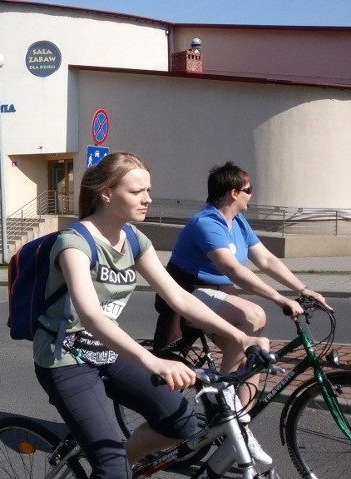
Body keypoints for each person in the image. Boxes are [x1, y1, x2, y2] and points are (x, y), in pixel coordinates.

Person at [34, 152, 268, 478]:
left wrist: (240, 336)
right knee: (110, 466)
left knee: (182, 423)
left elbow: (179, 298)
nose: (148, 199)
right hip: (65, 359)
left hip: (106, 350)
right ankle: (113, 466)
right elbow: (91, 316)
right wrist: (153, 361)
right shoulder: (75, 243)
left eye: (148, 190)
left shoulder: (133, 239)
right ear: (107, 193)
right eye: (137, 192)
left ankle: (120, 464)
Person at [153, 160, 332, 465]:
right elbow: (233, 269)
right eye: (249, 189)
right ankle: (226, 402)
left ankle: (237, 432)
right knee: (253, 316)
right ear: (233, 192)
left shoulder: (239, 223)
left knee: (257, 357)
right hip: (187, 292)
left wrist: (302, 289)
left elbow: (266, 260)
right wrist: (279, 299)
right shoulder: (206, 223)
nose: (252, 194)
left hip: (216, 294)